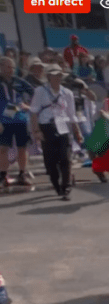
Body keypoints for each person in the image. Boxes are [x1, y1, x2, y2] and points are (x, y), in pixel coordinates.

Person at [30, 66, 82, 200]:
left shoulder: (67, 93)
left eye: (59, 75)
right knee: (50, 161)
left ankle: (66, 187)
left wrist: (77, 131)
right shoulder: (40, 91)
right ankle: (56, 184)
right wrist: (36, 130)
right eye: (55, 75)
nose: (58, 78)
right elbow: (34, 111)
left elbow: (71, 114)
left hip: (63, 125)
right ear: (49, 77)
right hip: (46, 126)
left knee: (65, 158)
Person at [0, 57, 36, 189]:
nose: (11, 70)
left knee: (22, 148)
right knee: (2, 149)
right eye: (8, 67)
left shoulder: (19, 81)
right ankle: (3, 176)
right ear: (1, 67)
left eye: (13, 67)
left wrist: (29, 106)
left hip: (20, 119)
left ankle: (22, 174)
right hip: (3, 120)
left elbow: (36, 93)